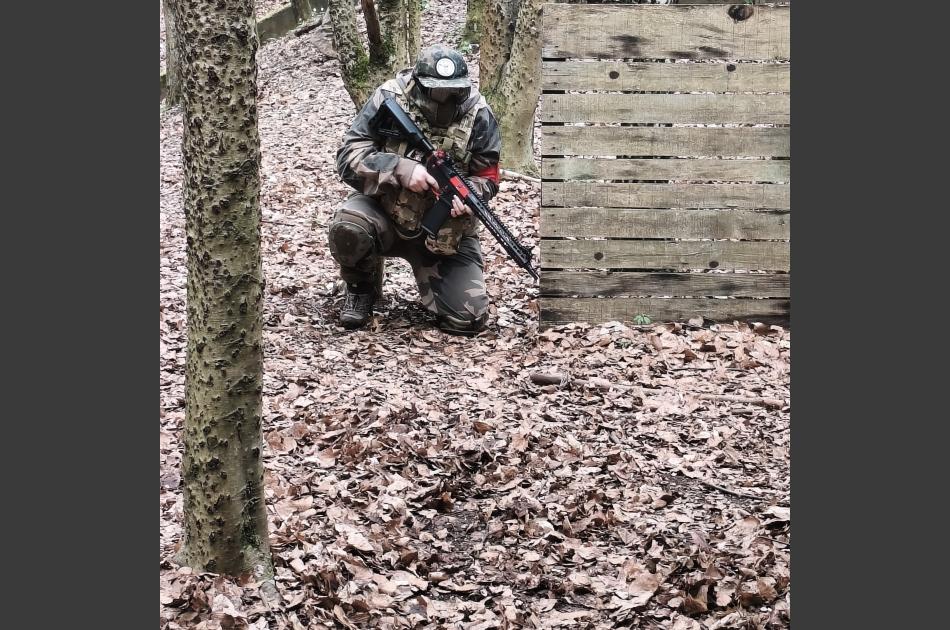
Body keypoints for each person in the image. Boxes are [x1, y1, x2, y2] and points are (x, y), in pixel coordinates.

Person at [329, 44, 502, 335]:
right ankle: (361, 287)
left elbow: (488, 175)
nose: (445, 99)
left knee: (468, 320)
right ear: (419, 85)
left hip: (443, 233)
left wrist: (469, 195)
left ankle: (437, 290)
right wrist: (400, 169)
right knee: (349, 225)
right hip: (384, 214)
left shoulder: (479, 114)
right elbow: (348, 158)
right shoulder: (389, 98)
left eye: (453, 91)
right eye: (437, 91)